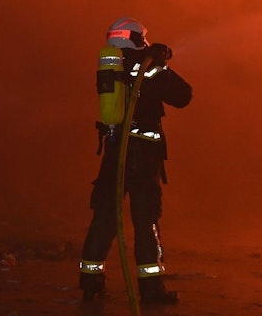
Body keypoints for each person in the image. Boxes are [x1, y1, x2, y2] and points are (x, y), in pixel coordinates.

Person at [79, 17, 193, 304]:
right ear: (138, 39)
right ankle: (152, 290)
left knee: (105, 216)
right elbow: (183, 96)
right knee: (146, 221)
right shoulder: (149, 67)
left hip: (115, 153)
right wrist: (160, 62)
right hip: (144, 157)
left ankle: (91, 282)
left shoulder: (110, 67)